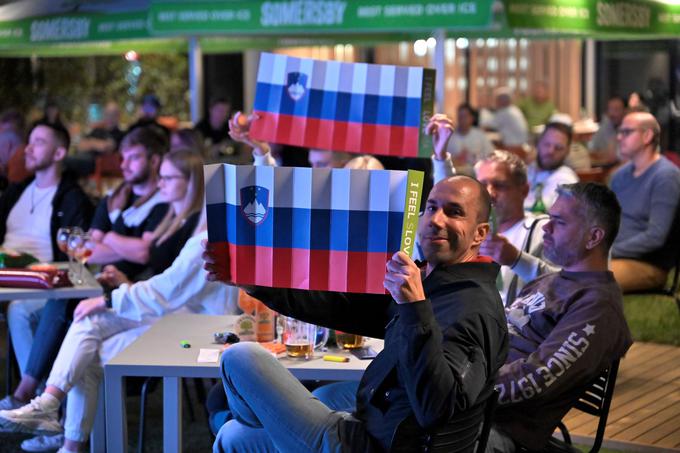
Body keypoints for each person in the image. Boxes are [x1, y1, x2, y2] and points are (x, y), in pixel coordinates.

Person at [205, 173, 509, 452]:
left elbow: (437, 410)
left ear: (479, 234)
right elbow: (339, 307)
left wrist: (415, 308)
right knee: (233, 437)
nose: (436, 220)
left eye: (454, 212)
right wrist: (253, 282)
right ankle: (267, 427)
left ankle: (266, 425)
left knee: (239, 357)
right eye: (431, 208)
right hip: (371, 428)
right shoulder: (432, 279)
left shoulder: (473, 307)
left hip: (374, 446)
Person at [0, 148, 210, 451]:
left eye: (167, 177)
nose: (160, 183)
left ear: (191, 182)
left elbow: (169, 286)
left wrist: (111, 297)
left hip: (185, 324)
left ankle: (56, 420)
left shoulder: (197, 232)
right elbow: (169, 283)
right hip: (163, 307)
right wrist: (123, 285)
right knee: (84, 326)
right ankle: (53, 413)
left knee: (88, 343)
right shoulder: (175, 219)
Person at [489, 182, 633, 452]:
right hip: (469, 399)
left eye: (559, 222)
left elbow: (537, 378)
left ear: (593, 237)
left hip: (495, 426)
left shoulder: (597, 307)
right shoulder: (551, 281)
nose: (545, 227)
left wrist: (461, 389)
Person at [0, 121, 93, 408]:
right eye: (29, 140)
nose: (28, 147)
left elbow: (76, 257)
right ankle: (40, 401)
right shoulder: (17, 192)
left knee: (19, 311)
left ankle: (34, 399)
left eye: (38, 141)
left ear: (59, 153)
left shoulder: (72, 198)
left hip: (44, 286)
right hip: (5, 279)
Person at [609, 112, 680, 292]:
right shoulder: (620, 176)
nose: (619, 137)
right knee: (563, 273)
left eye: (626, 132)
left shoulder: (666, 177)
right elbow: (607, 221)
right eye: (619, 131)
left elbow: (655, 236)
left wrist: (608, 251)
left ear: (647, 136)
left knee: (586, 279)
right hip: (612, 256)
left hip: (648, 263)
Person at [523, 122, 579, 212]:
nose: (550, 151)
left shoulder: (566, 180)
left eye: (558, 147)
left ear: (567, 151)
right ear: (538, 144)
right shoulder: (529, 170)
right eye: (547, 144)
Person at [444, 103, 494, 176]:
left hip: (476, 174)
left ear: (471, 118)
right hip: (455, 174)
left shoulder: (480, 135)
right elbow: (443, 159)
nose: (462, 119)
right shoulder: (450, 136)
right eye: (460, 116)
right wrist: (456, 159)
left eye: (465, 116)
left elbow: (491, 155)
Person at [589, 96, 627, 167]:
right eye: (610, 109)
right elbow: (592, 148)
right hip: (604, 170)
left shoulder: (629, 130)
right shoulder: (606, 125)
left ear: (625, 111)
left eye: (616, 109)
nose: (612, 113)